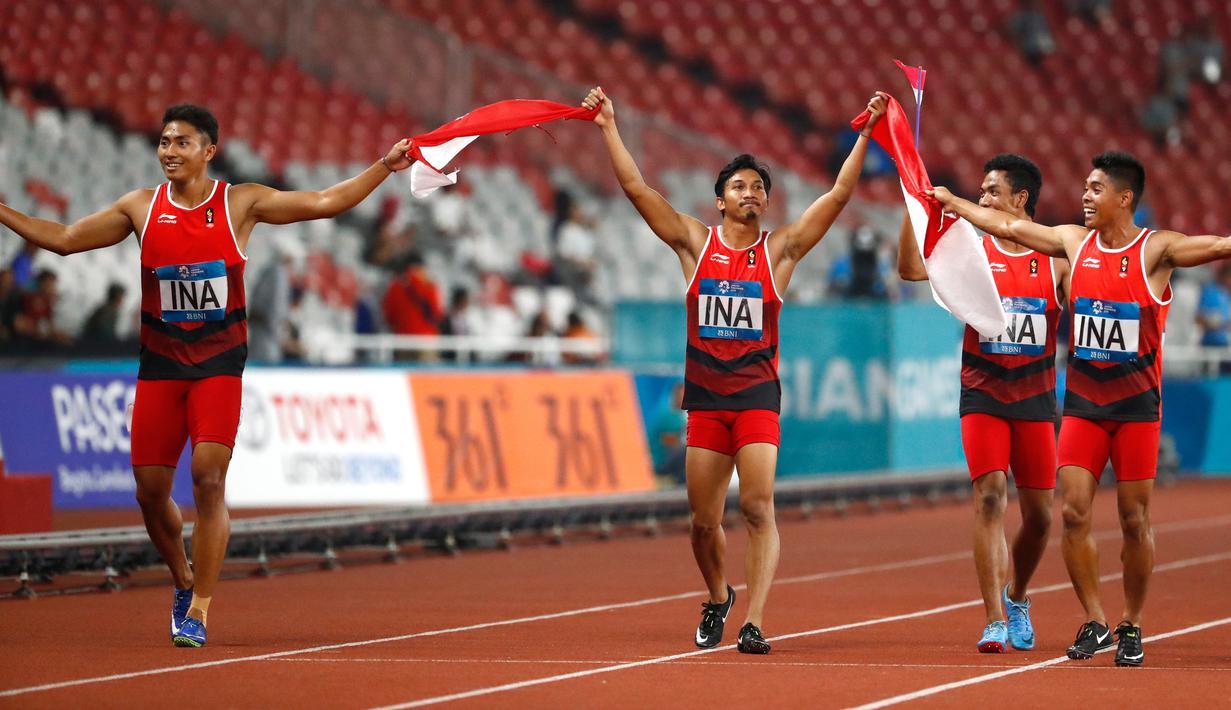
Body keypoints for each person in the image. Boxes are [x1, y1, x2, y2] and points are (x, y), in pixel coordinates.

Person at [0, 103, 413, 648]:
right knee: (149, 493)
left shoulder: (240, 203)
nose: (170, 151)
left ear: (208, 151)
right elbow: (66, 237)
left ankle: (198, 608)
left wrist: (384, 166)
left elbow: (324, 201)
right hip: (161, 367)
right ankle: (182, 577)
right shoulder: (140, 209)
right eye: (164, 142)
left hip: (218, 365)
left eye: (182, 143)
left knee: (209, 478)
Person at [584, 86, 888, 654]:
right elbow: (635, 188)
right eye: (739, 186)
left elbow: (840, 194)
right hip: (705, 398)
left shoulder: (781, 251)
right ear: (719, 200)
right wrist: (608, 127)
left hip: (756, 397)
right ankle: (719, 595)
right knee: (703, 522)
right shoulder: (693, 243)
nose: (751, 193)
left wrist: (866, 133)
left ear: (765, 203)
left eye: (759, 188)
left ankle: (755, 620)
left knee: (756, 506)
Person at [930, 150, 1231, 667]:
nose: (1085, 197)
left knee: (1135, 519)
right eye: (1085, 189)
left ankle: (1131, 622)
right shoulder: (1072, 241)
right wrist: (954, 203)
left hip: (1137, 407)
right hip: (1083, 407)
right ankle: (1095, 619)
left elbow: (1221, 244)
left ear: (1124, 198)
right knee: (1070, 514)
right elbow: (1005, 224)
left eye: (1095, 190)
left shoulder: (1156, 250)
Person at [899, 154, 1065, 654]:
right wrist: (915, 211)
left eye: (991, 192)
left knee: (1040, 518)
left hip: (1035, 400)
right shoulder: (972, 251)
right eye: (981, 190)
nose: (982, 199)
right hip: (984, 394)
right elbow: (910, 269)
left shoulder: (1056, 256)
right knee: (990, 497)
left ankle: (1017, 596)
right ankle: (994, 617)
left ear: (1020, 199)